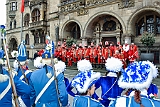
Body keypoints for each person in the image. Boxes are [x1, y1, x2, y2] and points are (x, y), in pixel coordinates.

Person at [12, 42, 32, 107]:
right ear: (25, 63)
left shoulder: (15, 72)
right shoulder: (29, 73)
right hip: (25, 100)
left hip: (15, 99)